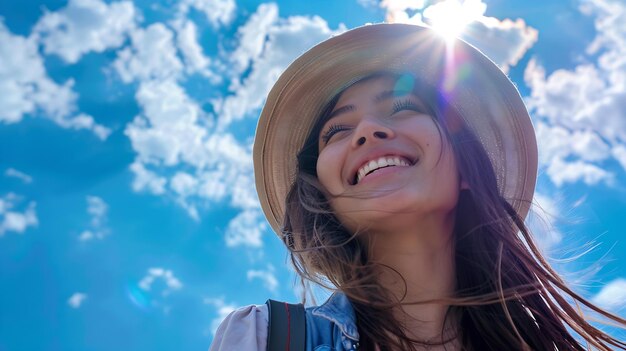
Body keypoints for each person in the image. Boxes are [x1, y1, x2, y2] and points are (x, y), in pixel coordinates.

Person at [210, 23, 626, 351]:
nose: (369, 130)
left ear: (466, 170)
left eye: (404, 107)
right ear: (322, 194)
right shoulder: (265, 338)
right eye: (336, 130)